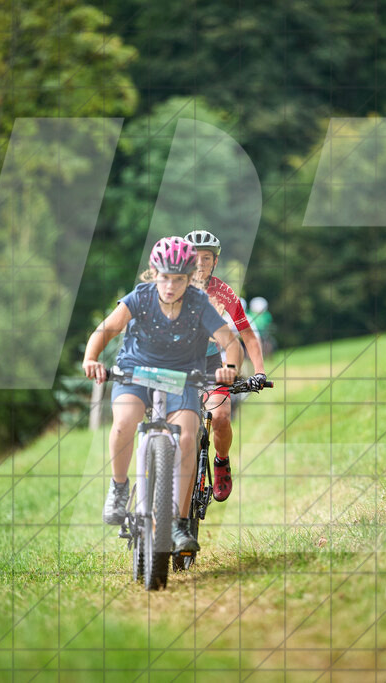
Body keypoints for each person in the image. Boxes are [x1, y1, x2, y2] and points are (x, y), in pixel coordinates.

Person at [82, 236, 241, 552]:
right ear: (153, 273)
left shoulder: (199, 303)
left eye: (179, 279)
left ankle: (180, 524)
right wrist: (91, 358)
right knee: (124, 421)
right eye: (164, 277)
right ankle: (118, 488)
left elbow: (230, 341)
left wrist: (230, 368)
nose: (170, 286)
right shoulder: (139, 298)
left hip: (183, 378)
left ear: (188, 277)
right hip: (136, 371)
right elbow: (107, 329)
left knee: (187, 437)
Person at [185, 229, 268, 503]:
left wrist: (259, 372)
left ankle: (220, 461)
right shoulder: (172, 284)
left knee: (220, 417)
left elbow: (247, 335)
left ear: (215, 262)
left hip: (211, 363)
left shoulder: (223, 293)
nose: (200, 263)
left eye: (206, 258)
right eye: (195, 257)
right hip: (177, 363)